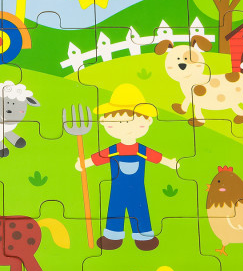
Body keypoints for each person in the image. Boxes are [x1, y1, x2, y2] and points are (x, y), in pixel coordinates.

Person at [74, 84, 180, 251]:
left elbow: (155, 157)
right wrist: (84, 163)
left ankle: (144, 237)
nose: (127, 128)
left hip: (138, 189)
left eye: (136, 122)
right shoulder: (113, 150)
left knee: (140, 210)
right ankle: (112, 237)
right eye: (119, 122)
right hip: (117, 189)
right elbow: (99, 157)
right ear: (105, 122)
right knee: (114, 210)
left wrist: (170, 162)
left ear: (148, 121)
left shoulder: (140, 150)